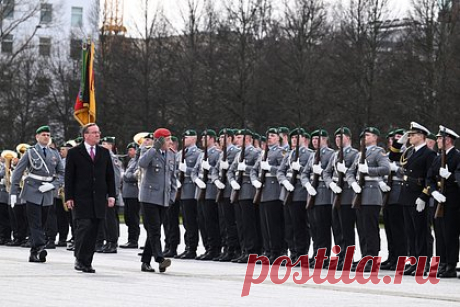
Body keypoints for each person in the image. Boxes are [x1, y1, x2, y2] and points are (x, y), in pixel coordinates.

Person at [65, 123, 116, 273]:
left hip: (99, 198)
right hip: (81, 198)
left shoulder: (104, 152)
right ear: (85, 135)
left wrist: (111, 194)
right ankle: (79, 258)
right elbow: (69, 177)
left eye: (98, 132)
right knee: (84, 227)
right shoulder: (75, 152)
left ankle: (87, 261)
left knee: (94, 230)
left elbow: (109, 176)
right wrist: (69, 197)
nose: (98, 135)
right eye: (94, 133)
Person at [10, 125, 64, 263]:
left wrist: (53, 185)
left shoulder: (54, 153)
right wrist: (13, 192)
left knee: (43, 222)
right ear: (37, 137)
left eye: (48, 135)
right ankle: (40, 247)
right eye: (43, 135)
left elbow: (62, 173)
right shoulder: (30, 152)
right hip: (32, 190)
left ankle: (34, 253)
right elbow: (17, 172)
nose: (46, 137)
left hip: (47, 191)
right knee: (35, 222)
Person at [138, 128, 177, 273]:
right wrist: (154, 147)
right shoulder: (148, 152)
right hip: (149, 198)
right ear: (160, 140)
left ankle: (145, 262)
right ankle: (160, 258)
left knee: (154, 231)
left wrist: (172, 196)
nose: (171, 142)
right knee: (154, 229)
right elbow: (142, 163)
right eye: (167, 139)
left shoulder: (171, 155)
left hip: (164, 199)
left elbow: (173, 178)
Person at [426, 125, 460, 278]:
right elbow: (429, 178)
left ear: (448, 140)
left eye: (440, 138)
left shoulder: (457, 156)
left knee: (450, 234)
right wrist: (433, 192)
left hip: (453, 201)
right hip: (439, 200)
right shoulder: (438, 157)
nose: (437, 140)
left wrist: (449, 176)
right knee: (440, 233)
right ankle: (442, 263)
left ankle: (451, 265)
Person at [120, 142, 140, 249]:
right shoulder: (132, 161)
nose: (129, 152)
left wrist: (126, 175)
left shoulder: (139, 161)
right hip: (127, 193)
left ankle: (133, 240)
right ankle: (130, 239)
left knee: (133, 218)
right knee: (128, 217)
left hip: (134, 193)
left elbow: (132, 176)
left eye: (131, 149)